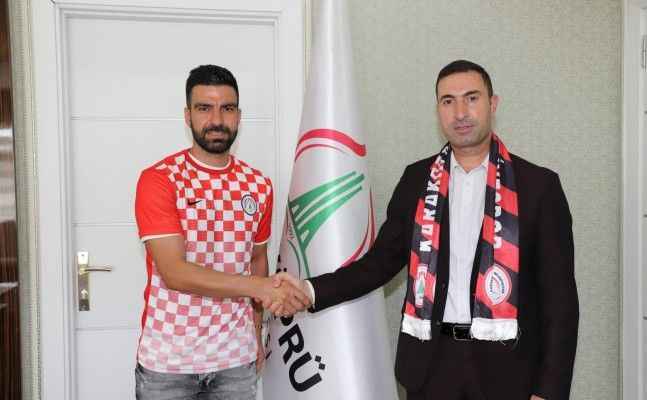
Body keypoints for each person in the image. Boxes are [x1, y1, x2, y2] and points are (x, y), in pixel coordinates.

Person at [273, 60, 579, 400]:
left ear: (493, 104)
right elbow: (379, 264)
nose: (460, 113)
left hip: (508, 373)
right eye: (448, 101)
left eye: (472, 98)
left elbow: (560, 301)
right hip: (431, 370)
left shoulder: (538, 187)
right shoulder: (417, 180)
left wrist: (549, 391)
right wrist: (309, 290)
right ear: (438, 110)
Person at [133, 64, 311, 400]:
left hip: (236, 361)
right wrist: (259, 287)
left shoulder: (258, 185)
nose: (217, 119)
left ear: (239, 116)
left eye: (227, 108)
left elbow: (257, 260)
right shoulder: (160, 179)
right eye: (204, 108)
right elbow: (174, 273)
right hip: (168, 364)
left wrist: (256, 333)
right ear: (187, 115)